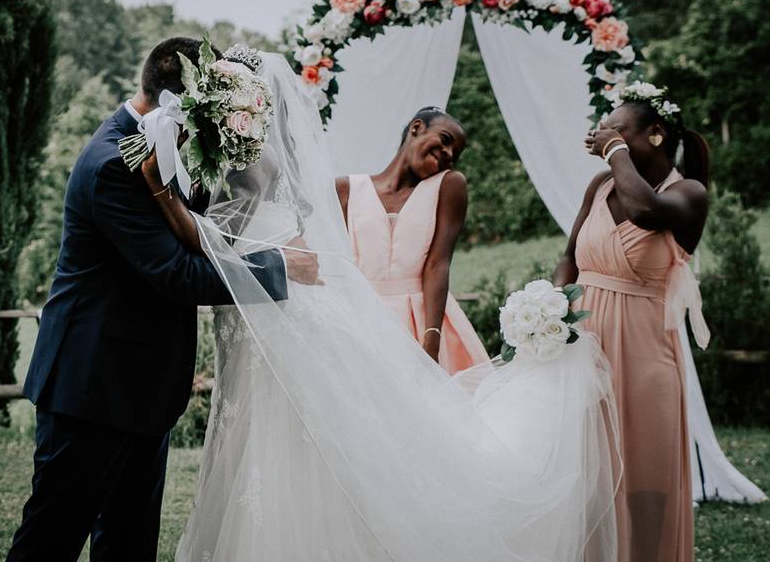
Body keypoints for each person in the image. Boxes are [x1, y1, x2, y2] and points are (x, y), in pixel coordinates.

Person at [143, 49, 620, 561]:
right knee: (277, 436)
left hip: (289, 312)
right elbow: (267, 240)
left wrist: (162, 192)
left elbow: (223, 241)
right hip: (270, 311)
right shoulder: (291, 175)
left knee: (305, 434)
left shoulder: (272, 169)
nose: (447, 158)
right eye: (442, 143)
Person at [6, 38, 317, 562]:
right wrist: (280, 267)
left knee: (128, 544)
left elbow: (199, 228)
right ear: (185, 102)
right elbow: (177, 275)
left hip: (145, 388)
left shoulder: (171, 149)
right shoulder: (113, 164)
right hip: (93, 387)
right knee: (50, 539)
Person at [553, 83, 711, 562]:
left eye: (619, 130)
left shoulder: (688, 193)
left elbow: (645, 211)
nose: (606, 139)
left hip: (646, 354)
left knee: (644, 474)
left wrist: (615, 150)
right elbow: (568, 257)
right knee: (588, 470)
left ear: (656, 135)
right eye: (606, 132)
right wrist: (555, 307)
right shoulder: (598, 188)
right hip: (586, 346)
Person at [333, 107, 490, 374]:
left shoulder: (449, 185)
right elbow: (335, 265)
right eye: (446, 140)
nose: (449, 155)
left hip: (420, 320)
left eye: (456, 155)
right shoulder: (346, 189)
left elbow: (438, 264)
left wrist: (431, 338)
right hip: (360, 319)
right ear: (417, 128)